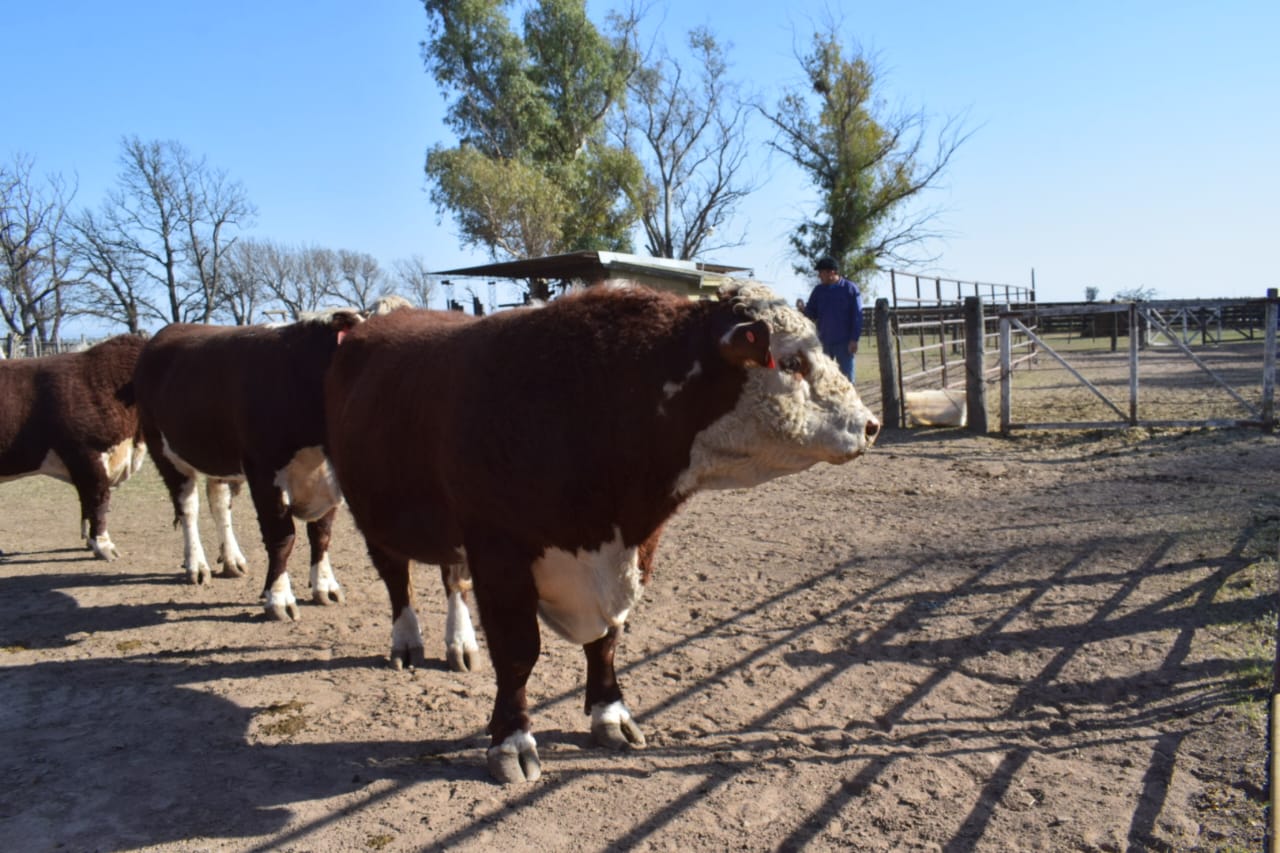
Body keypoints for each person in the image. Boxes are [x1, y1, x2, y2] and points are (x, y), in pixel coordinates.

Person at [803, 256, 863, 382]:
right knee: (823, 379)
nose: (819, 276)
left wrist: (854, 339)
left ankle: (849, 402)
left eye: (821, 272)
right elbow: (810, 314)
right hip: (824, 343)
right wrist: (802, 310)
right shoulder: (818, 291)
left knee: (847, 380)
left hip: (845, 343)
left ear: (832, 272)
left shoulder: (850, 289)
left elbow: (857, 316)